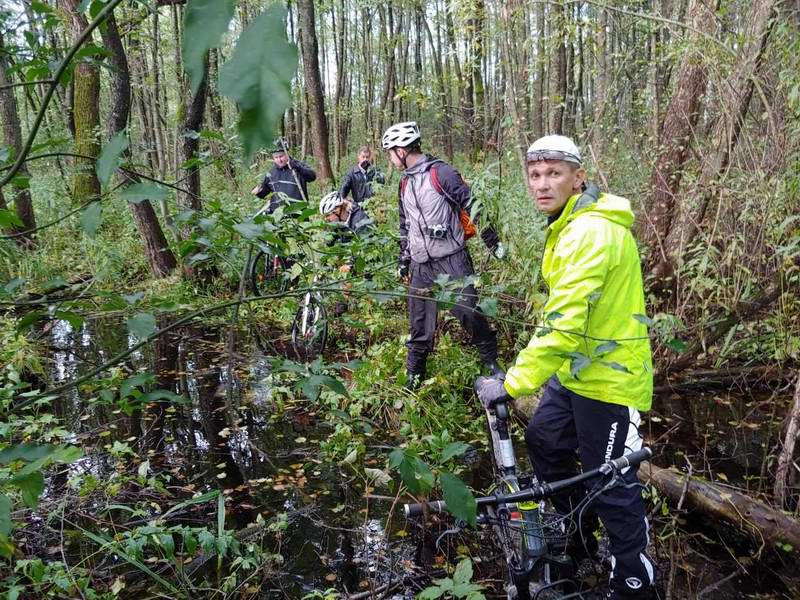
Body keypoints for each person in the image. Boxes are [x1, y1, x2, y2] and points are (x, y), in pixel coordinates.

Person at [475, 135, 656, 599]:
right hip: (575, 373)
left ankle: (634, 585)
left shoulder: (590, 232)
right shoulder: (568, 224)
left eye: (553, 173)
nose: (542, 184)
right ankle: (578, 537)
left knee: (612, 482)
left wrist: (511, 384)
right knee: (546, 440)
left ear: (579, 178)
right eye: (535, 175)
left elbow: (563, 324)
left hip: (609, 381)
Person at [382, 121, 505, 390]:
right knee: (419, 324)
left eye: (391, 152)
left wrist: (493, 243)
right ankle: (414, 376)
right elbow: (405, 225)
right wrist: (404, 260)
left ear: (402, 150)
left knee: (469, 313)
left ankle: (490, 362)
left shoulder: (441, 173)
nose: (390, 159)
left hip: (451, 258)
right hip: (421, 265)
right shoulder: (404, 183)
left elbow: (473, 206)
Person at [319, 191, 374, 316]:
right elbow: (330, 242)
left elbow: (366, 246)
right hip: (350, 251)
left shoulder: (359, 219)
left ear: (338, 209)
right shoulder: (338, 221)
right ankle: (342, 311)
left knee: (355, 274)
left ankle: (367, 311)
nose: (327, 219)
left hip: (367, 254)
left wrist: (350, 263)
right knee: (342, 272)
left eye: (328, 215)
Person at [251, 138, 317, 213]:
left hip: (299, 212)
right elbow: (264, 194)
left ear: (287, 154)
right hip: (279, 214)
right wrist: (258, 192)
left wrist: (297, 167)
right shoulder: (271, 173)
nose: (279, 160)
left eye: (281, 156)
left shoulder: (298, 165)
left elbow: (312, 177)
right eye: (276, 157)